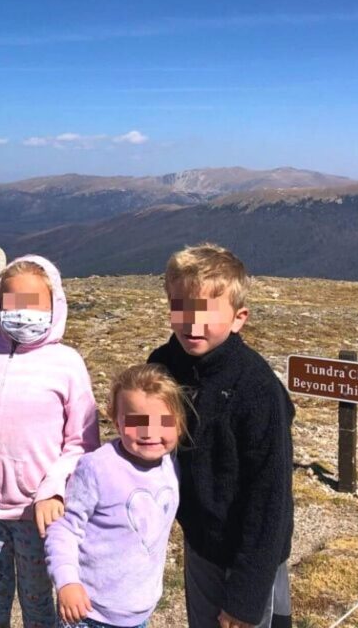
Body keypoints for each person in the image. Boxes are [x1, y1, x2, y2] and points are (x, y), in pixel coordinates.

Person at [0, 255, 100, 628]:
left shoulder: (67, 363)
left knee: (38, 605)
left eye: (34, 302)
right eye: (13, 302)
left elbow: (82, 443)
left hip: (37, 515)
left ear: (54, 305)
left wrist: (53, 489)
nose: (23, 313)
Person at [148, 243, 294, 628]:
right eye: (181, 308)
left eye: (206, 313)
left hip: (250, 553)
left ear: (238, 318)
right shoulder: (164, 366)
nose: (192, 323)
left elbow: (270, 499)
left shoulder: (258, 390)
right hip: (201, 541)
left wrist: (246, 598)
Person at [46, 363, 185, 628]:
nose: (149, 432)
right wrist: (67, 581)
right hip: (89, 612)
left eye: (163, 421)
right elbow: (64, 528)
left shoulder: (171, 464)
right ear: (114, 417)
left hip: (139, 612)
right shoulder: (97, 467)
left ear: (178, 423)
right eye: (136, 420)